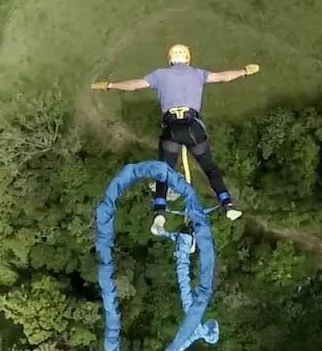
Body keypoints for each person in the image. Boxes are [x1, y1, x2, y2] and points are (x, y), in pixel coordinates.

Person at [92, 43, 260, 234]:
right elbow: (224, 77)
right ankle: (228, 205)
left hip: (171, 129)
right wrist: (244, 71)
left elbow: (134, 86)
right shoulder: (198, 73)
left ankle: (159, 214)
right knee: (210, 168)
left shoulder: (160, 75)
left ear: (170, 59)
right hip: (194, 127)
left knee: (164, 172)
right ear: (188, 58)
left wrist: (110, 85)